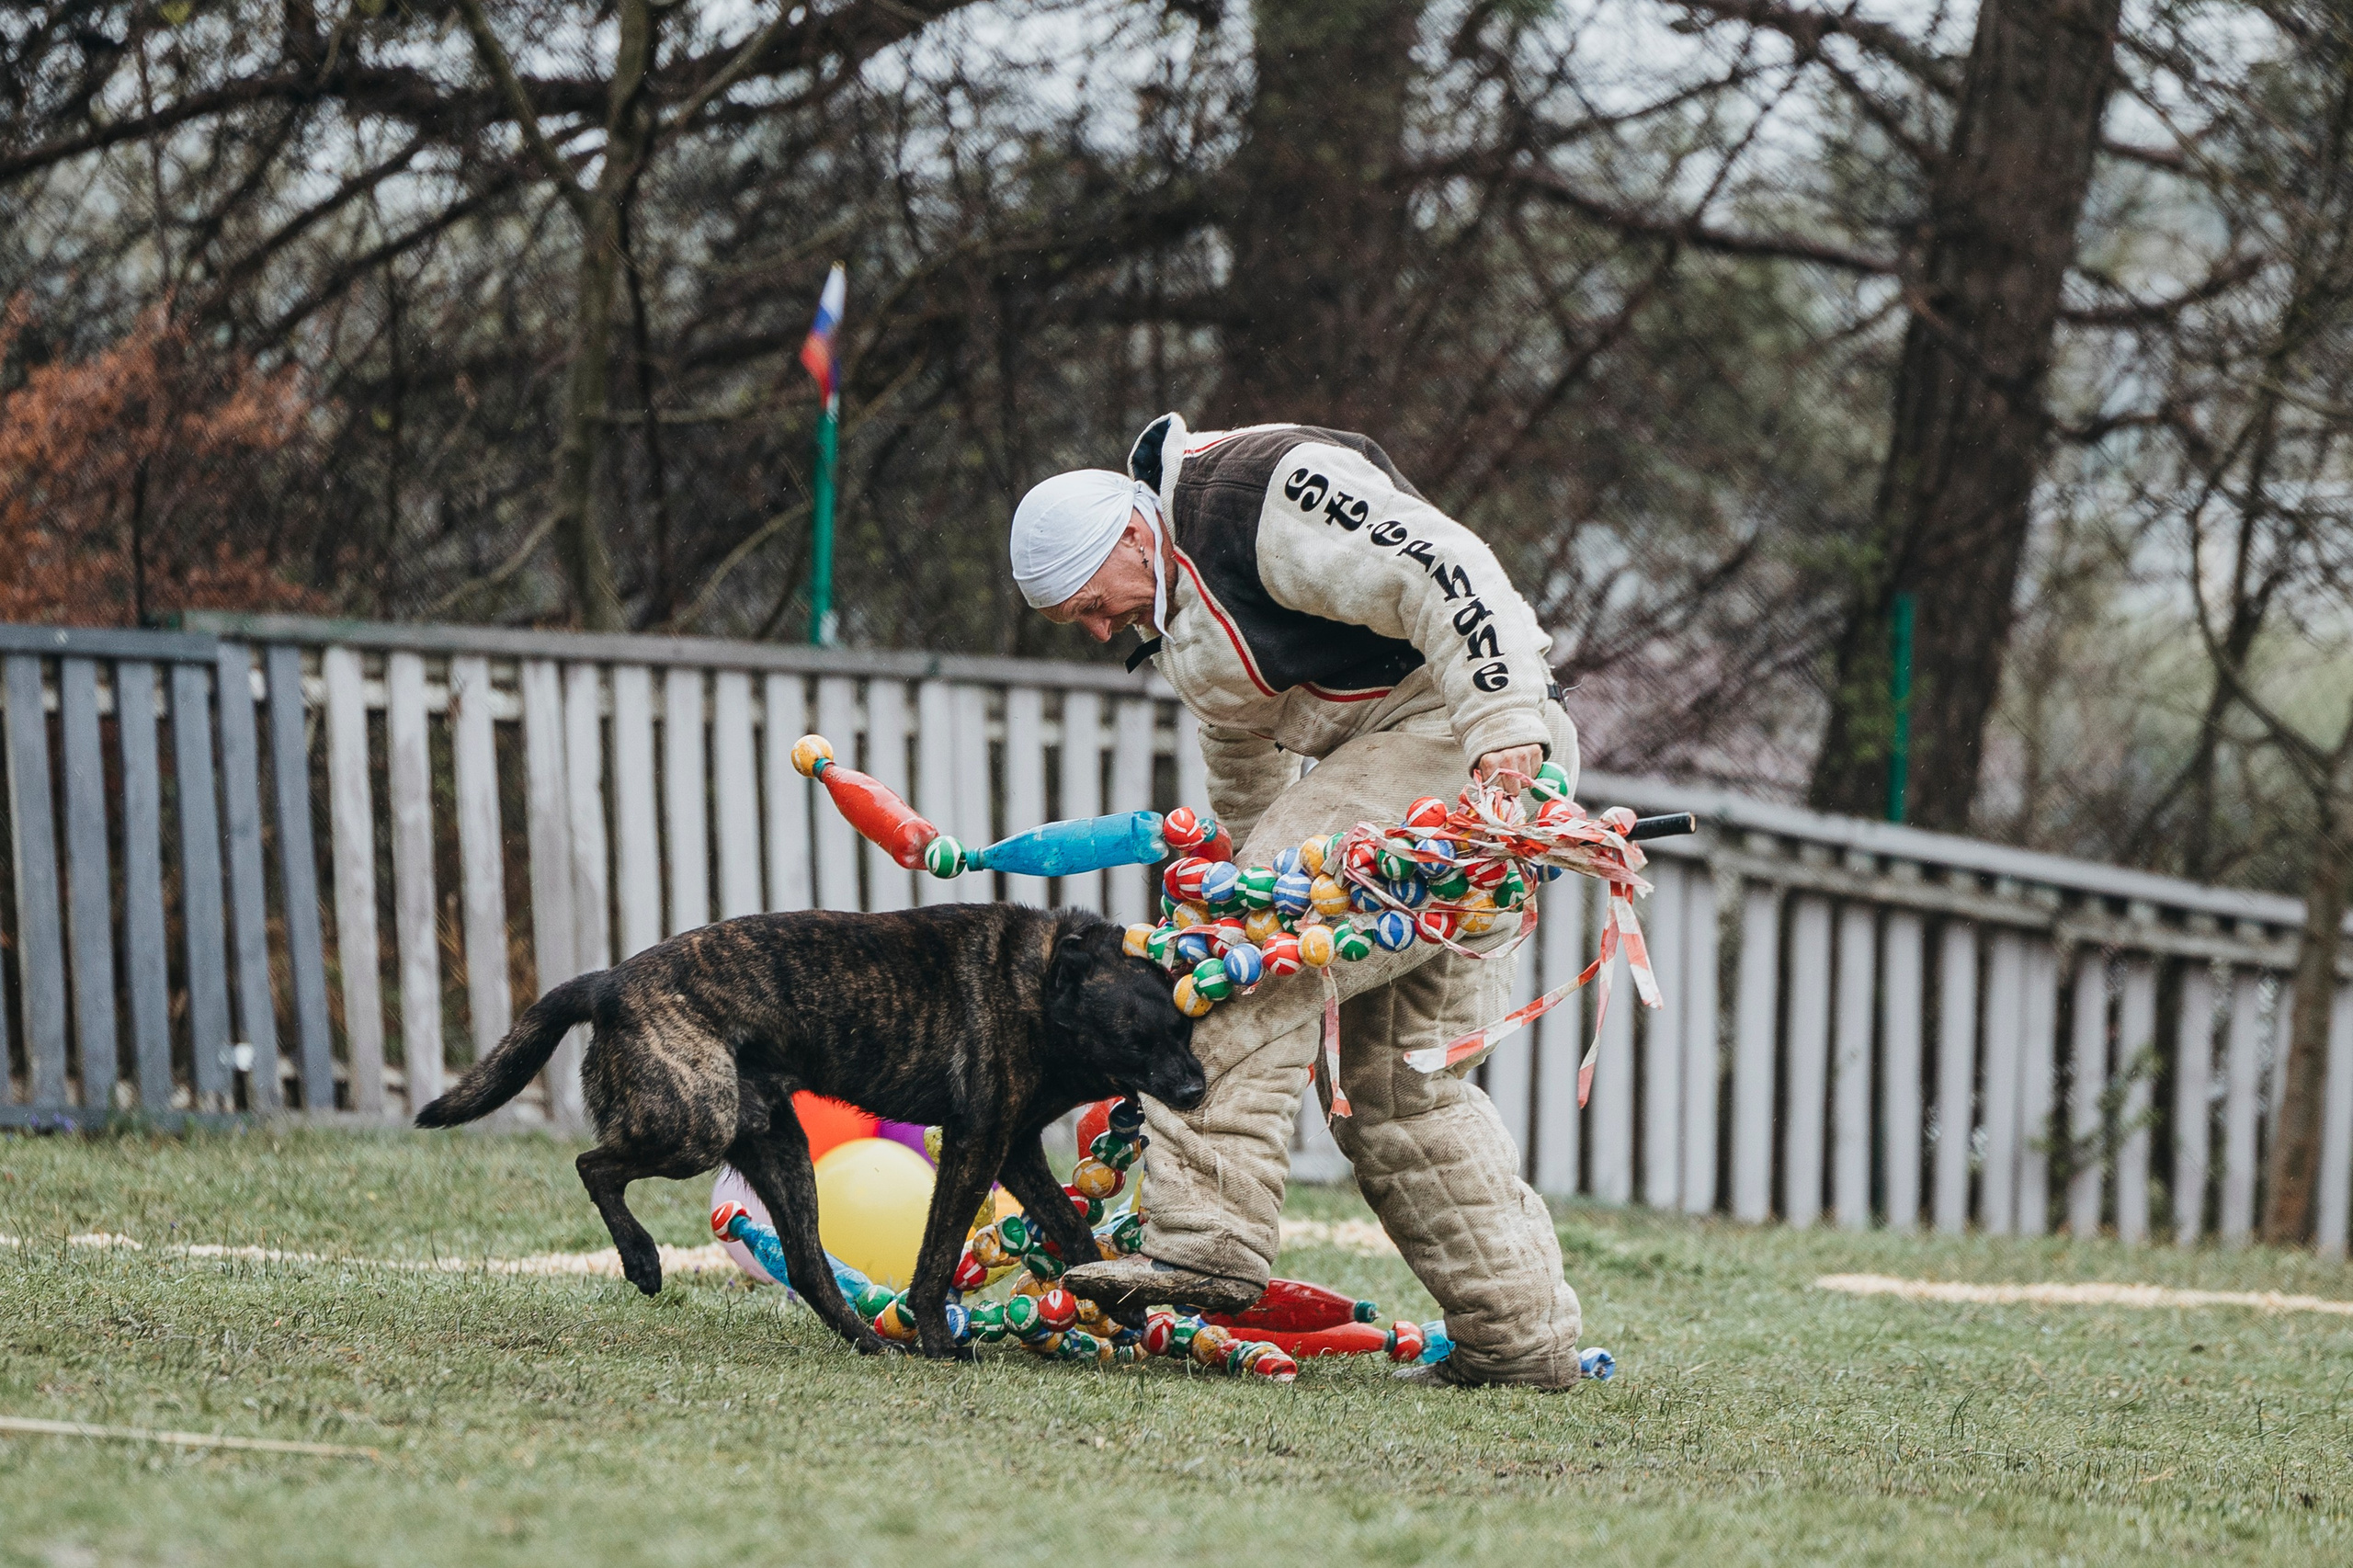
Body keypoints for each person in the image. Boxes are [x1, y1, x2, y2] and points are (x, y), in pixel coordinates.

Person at [1006, 413, 1585, 1389]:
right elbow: (1243, 750)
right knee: (1402, 1087)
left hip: (1462, 745)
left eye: (1087, 606)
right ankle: (1518, 1339)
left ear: (1133, 538)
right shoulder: (1177, 613)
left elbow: (1448, 567)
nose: (1098, 630)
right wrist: (1242, 857)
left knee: (1230, 950)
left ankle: (1204, 1241)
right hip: (1432, 770)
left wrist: (1501, 728)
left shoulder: (1259, 492)